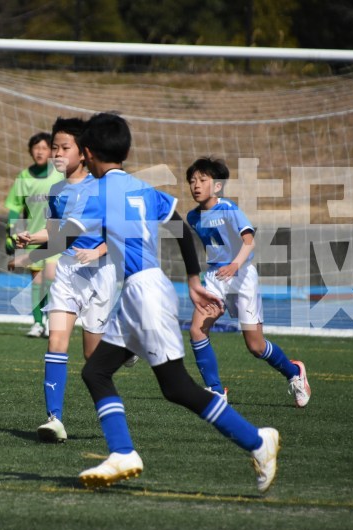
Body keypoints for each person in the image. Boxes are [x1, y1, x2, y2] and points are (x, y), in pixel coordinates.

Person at [24, 113, 280, 493]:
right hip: (141, 290)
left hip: (144, 293)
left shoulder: (97, 192)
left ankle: (257, 440)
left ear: (88, 152)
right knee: (95, 372)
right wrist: (192, 279)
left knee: (177, 387)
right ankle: (122, 452)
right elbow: (178, 224)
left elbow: (70, 232)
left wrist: (33, 242)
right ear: (125, 152)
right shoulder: (141, 188)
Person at [9, 117, 128, 444]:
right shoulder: (57, 190)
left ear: (84, 152)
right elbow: (56, 234)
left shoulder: (102, 188)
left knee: (93, 356)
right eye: (55, 148)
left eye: (65, 148)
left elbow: (117, 233)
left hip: (100, 273)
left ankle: (122, 348)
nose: (57, 154)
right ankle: (54, 419)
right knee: (56, 341)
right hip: (66, 272)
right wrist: (30, 246)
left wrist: (99, 251)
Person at [185, 156, 311, 407]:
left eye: (202, 179)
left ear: (217, 185)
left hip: (241, 276)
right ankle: (216, 390)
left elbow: (249, 241)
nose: (196, 185)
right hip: (215, 278)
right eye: (192, 180)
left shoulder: (229, 209)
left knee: (255, 346)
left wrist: (235, 264)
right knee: (197, 329)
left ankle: (295, 372)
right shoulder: (192, 217)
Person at [4, 132, 64, 337]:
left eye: (44, 148)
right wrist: (11, 233)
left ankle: (52, 320)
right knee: (37, 281)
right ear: (30, 151)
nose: (39, 152)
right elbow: (14, 207)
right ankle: (38, 323)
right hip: (33, 236)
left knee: (51, 276)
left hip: (56, 236)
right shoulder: (24, 177)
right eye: (36, 148)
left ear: (51, 151)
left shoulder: (60, 174)